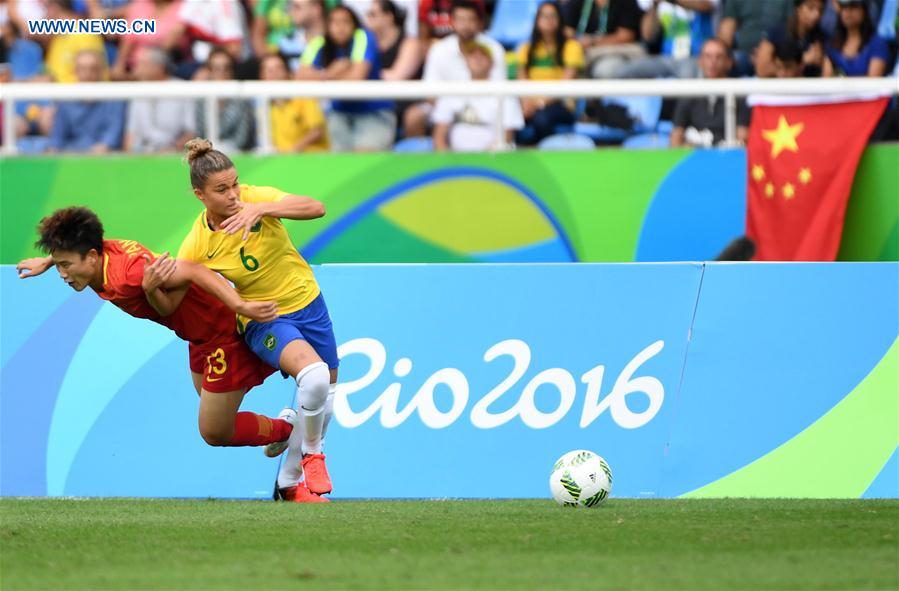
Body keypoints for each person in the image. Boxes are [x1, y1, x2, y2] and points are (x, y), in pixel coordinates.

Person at [15, 207, 328, 503]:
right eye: (60, 265)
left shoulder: (129, 275)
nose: (63, 274)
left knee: (215, 431)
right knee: (210, 403)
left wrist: (239, 306)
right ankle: (286, 427)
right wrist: (49, 261)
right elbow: (90, 250)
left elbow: (193, 269)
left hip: (218, 332)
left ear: (92, 257)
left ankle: (289, 431)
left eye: (65, 266)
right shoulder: (99, 255)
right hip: (196, 335)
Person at [177, 138, 338, 500]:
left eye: (234, 183)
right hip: (263, 318)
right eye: (221, 189)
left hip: (310, 303)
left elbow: (317, 207)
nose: (233, 194)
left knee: (325, 396)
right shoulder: (199, 243)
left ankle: (288, 483)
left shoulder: (253, 197)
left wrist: (262, 209)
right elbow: (182, 287)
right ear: (200, 195)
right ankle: (313, 454)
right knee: (313, 379)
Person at [403, 0, 508, 138]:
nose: (466, 25)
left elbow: (499, 90)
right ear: (452, 22)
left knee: (504, 110)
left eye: (471, 20)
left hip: (485, 105)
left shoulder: (494, 49)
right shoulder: (439, 50)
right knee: (414, 116)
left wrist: (469, 109)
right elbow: (430, 92)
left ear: (480, 23)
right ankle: (424, 158)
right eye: (461, 19)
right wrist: (449, 109)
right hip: (443, 106)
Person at [297, 5, 396, 151]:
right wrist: (330, 73)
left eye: (345, 22)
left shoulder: (363, 36)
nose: (340, 27)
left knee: (364, 163)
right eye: (335, 22)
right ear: (328, 25)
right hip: (340, 113)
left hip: (373, 112)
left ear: (354, 24)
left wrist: (321, 77)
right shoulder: (320, 43)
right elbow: (300, 76)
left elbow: (356, 77)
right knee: (342, 166)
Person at [432, 42, 524, 150]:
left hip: (493, 161)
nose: (477, 59)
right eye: (473, 55)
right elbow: (439, 135)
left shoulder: (505, 93)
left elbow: (507, 136)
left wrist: (482, 161)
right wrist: (446, 160)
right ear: (466, 62)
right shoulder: (453, 90)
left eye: (483, 56)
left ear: (492, 63)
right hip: (455, 161)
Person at [515, 1, 585, 144]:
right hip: (531, 102)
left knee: (541, 119)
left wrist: (539, 103)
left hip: (561, 104)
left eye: (553, 16)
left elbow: (564, 85)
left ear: (560, 20)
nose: (548, 20)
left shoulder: (572, 47)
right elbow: (521, 81)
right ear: (537, 20)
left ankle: (544, 157)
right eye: (544, 16)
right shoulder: (526, 49)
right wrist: (526, 103)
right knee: (511, 117)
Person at [670, 39, 750, 147]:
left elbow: (742, 139)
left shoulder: (740, 95)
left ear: (729, 62)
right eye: (707, 56)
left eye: (719, 57)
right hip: (694, 158)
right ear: (700, 61)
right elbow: (676, 137)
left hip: (727, 157)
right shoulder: (689, 93)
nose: (713, 61)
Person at [614, 0, 719, 79]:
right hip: (666, 58)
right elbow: (647, 36)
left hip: (697, 57)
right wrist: (655, 5)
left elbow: (706, 5)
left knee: (687, 73)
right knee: (625, 71)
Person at [48, 49, 126, 153]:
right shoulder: (66, 100)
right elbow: (56, 140)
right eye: (82, 69)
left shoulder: (115, 99)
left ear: (101, 71)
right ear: (75, 71)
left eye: (93, 69)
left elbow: (110, 139)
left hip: (104, 161)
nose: (88, 74)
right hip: (71, 158)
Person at [125, 47, 196, 153]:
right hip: (141, 155)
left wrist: (173, 149)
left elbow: (191, 132)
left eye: (143, 64)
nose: (136, 69)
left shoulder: (182, 89)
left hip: (173, 154)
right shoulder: (138, 91)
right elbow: (130, 133)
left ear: (159, 67)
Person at [259, 53, 330, 152]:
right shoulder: (263, 107)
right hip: (281, 162)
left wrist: (292, 151)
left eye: (278, 68)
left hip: (310, 159)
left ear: (288, 73)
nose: (273, 74)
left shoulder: (304, 98)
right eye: (269, 70)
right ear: (262, 76)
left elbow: (318, 130)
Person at [561, 0, 644, 79]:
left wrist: (592, 41)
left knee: (605, 70)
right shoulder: (577, 3)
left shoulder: (625, 2)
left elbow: (626, 36)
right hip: (582, 53)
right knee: (569, 63)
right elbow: (567, 31)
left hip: (612, 53)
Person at [194, 48, 256, 153]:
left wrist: (219, 150)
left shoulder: (242, 100)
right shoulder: (201, 100)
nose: (222, 73)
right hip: (205, 156)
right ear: (209, 71)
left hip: (237, 156)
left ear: (232, 70)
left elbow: (242, 139)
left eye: (226, 68)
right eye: (217, 68)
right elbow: (198, 134)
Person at [717, 0, 793, 76]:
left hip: (776, 55)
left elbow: (792, 27)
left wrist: (766, 55)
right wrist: (725, 56)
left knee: (787, 63)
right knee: (719, 61)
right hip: (744, 53)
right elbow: (727, 29)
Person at [756, 0, 825, 78]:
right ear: (798, 8)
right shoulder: (777, 32)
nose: (817, 15)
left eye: (821, 10)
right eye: (810, 8)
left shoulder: (820, 37)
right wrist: (803, 61)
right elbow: (762, 69)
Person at [823, 0, 890, 76]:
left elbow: (873, 81)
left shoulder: (877, 43)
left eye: (853, 6)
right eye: (844, 7)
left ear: (864, 10)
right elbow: (826, 80)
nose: (848, 12)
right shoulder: (831, 45)